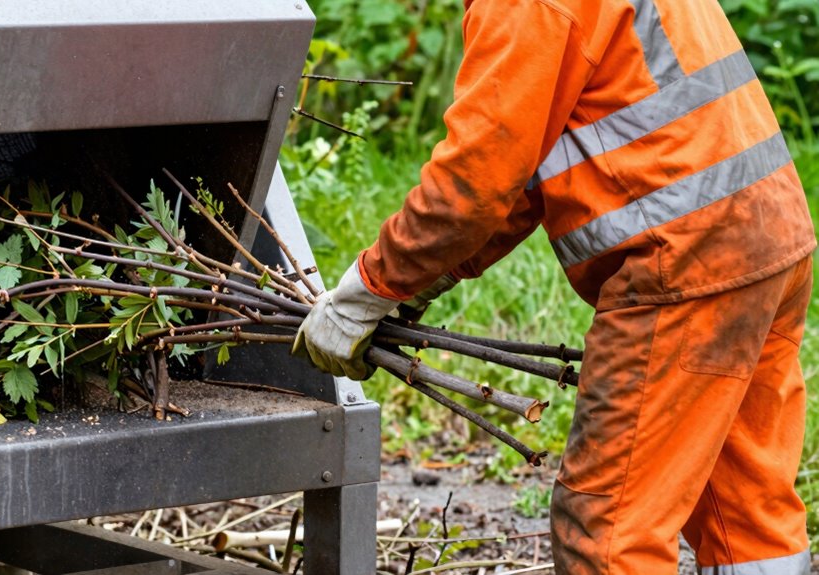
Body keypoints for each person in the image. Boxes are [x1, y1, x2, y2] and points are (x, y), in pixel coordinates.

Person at [292, 0, 816, 572]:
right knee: (743, 512)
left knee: (609, 531)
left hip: (686, 266)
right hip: (767, 235)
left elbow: (476, 175)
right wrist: (415, 281)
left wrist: (369, 288)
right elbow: (522, 172)